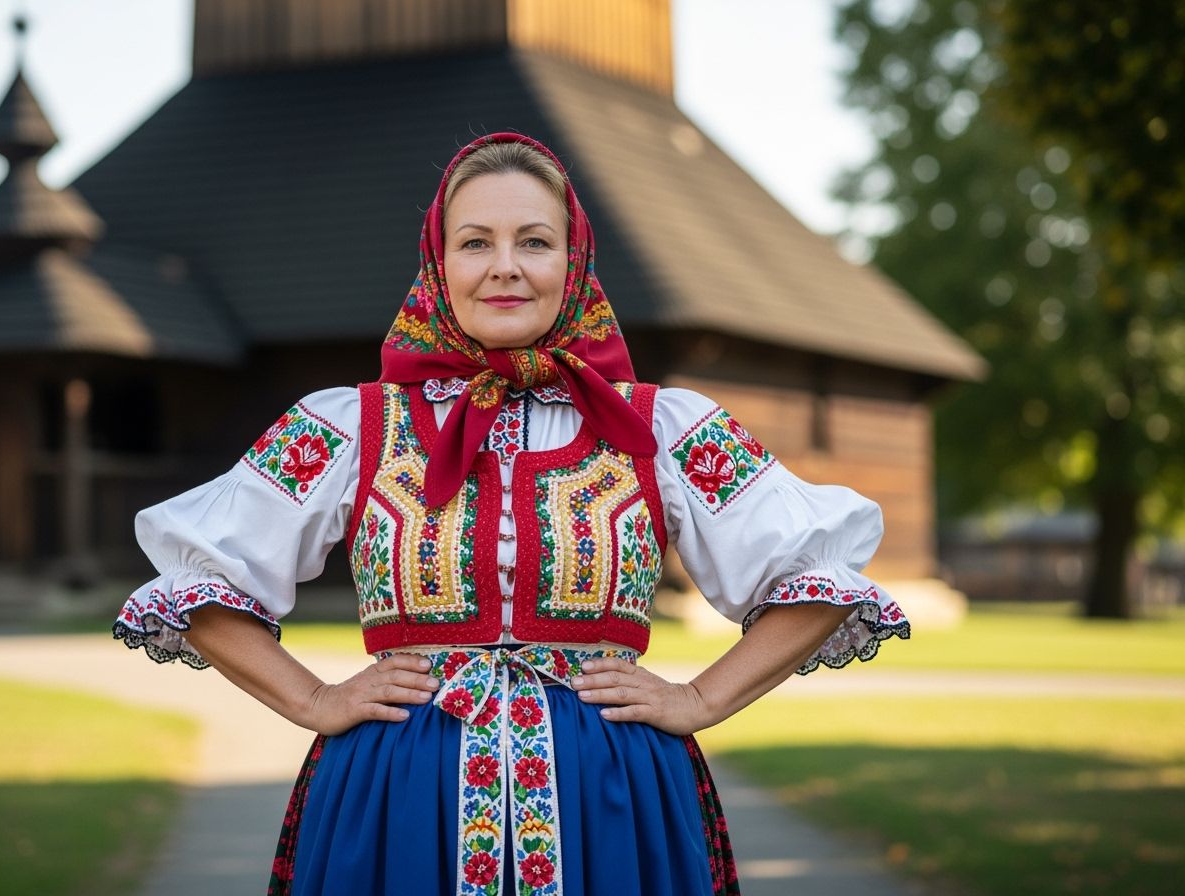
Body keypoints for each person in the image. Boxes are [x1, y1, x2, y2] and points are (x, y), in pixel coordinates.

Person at [113, 132, 910, 896]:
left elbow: (820, 577)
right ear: (439, 262)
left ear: (574, 260)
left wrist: (700, 699)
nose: (505, 267)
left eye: (534, 241)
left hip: (610, 792)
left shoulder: (663, 426)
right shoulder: (349, 426)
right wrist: (312, 699)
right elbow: (196, 578)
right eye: (475, 243)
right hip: (399, 794)